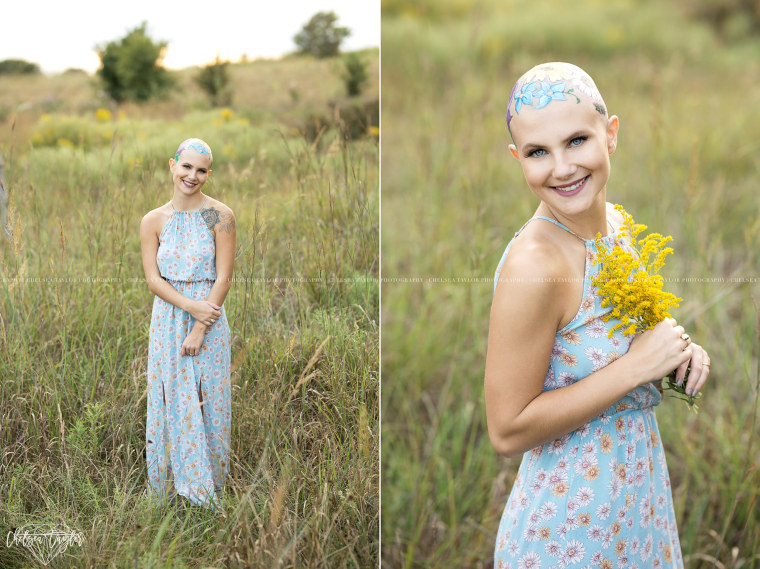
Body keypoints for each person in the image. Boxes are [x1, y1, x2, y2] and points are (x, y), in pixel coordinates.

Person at [484, 63, 710, 567]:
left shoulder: (615, 224)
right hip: (567, 532)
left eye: (577, 141)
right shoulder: (535, 266)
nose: (562, 168)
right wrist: (635, 368)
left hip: (635, 508)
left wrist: (675, 351)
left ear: (610, 136)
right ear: (517, 157)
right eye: (539, 152)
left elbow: (625, 333)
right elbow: (506, 429)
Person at [140, 138, 236, 509]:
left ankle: (207, 492)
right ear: (172, 165)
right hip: (166, 319)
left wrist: (200, 324)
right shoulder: (154, 220)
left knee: (207, 399)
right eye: (186, 167)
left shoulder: (217, 215)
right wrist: (188, 309)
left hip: (209, 318)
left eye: (201, 170)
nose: (192, 176)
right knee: (168, 398)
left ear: (209, 174)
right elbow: (153, 279)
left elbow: (224, 277)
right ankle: (167, 489)